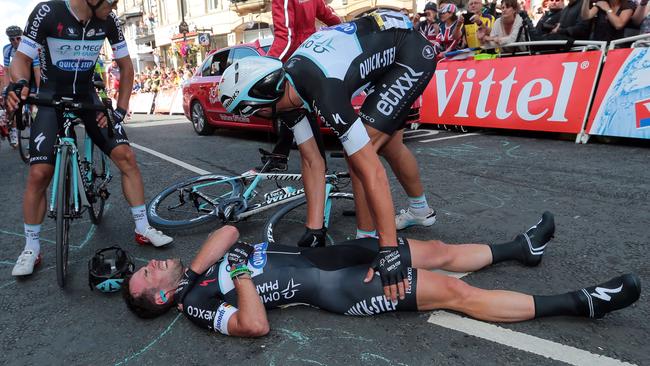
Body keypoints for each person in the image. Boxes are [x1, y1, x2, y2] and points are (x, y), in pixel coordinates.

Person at [122, 212, 641, 337]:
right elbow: (254, 326)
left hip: (338, 254)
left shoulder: (191, 278)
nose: (150, 265)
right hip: (337, 287)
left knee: (435, 249)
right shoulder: (197, 306)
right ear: (162, 300)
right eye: (147, 276)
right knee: (455, 293)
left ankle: (519, 248)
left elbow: (231, 232)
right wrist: (235, 277)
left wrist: (194, 269)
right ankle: (580, 302)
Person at [218, 11, 438, 301]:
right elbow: (311, 160)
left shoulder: (323, 90)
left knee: (361, 154)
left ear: (261, 104)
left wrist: (389, 250)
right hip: (385, 51)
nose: (255, 117)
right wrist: (314, 229)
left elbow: (372, 170)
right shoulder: (289, 94)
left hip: (409, 56)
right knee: (388, 144)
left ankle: (368, 240)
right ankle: (420, 210)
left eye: (251, 112)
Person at [5, 0, 173, 277]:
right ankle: (31, 247)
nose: (115, 4)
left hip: (88, 96)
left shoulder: (109, 21)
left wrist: (118, 111)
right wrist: (20, 84)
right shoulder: (48, 12)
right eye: (111, 0)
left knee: (126, 157)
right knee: (39, 173)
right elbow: (21, 58)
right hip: (50, 97)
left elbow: (126, 67)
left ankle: (143, 227)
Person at [264, 0, 342, 172]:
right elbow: (328, 15)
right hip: (311, 53)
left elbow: (286, 37)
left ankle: (319, 167)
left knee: (295, 107)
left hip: (294, 57)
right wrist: (344, 28)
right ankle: (281, 155)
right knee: (299, 109)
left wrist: (267, 65)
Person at [3, 25, 41, 148]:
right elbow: (7, 71)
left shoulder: (30, 48)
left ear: (22, 38)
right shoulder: (7, 49)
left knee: (33, 107)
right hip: (18, 76)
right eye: (12, 39)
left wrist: (39, 90)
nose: (15, 42)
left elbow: (36, 70)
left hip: (32, 76)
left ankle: (34, 133)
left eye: (18, 38)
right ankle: (13, 130)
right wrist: (6, 89)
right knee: (11, 103)